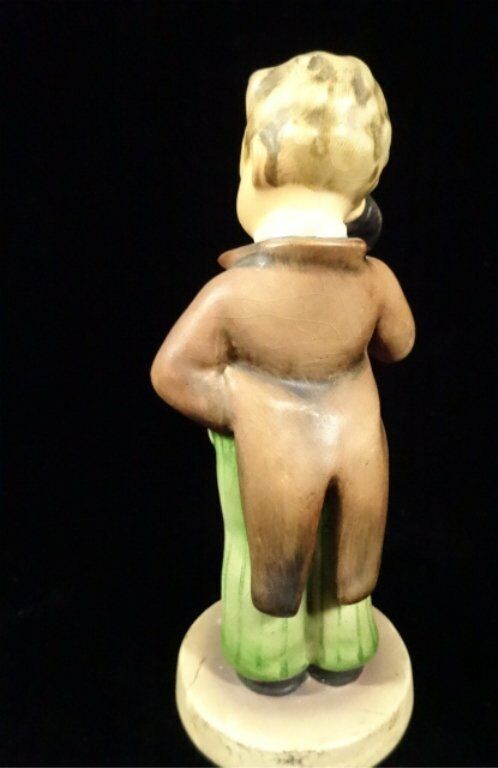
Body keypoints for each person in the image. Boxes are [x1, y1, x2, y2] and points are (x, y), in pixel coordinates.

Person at [151, 51, 415, 695]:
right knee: (343, 549)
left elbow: (173, 372)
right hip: (356, 445)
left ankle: (269, 659)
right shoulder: (374, 281)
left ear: (251, 165)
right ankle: (343, 646)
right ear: (360, 196)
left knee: (258, 549)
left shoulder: (232, 295)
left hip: (268, 460)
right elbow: (400, 344)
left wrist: (244, 404)